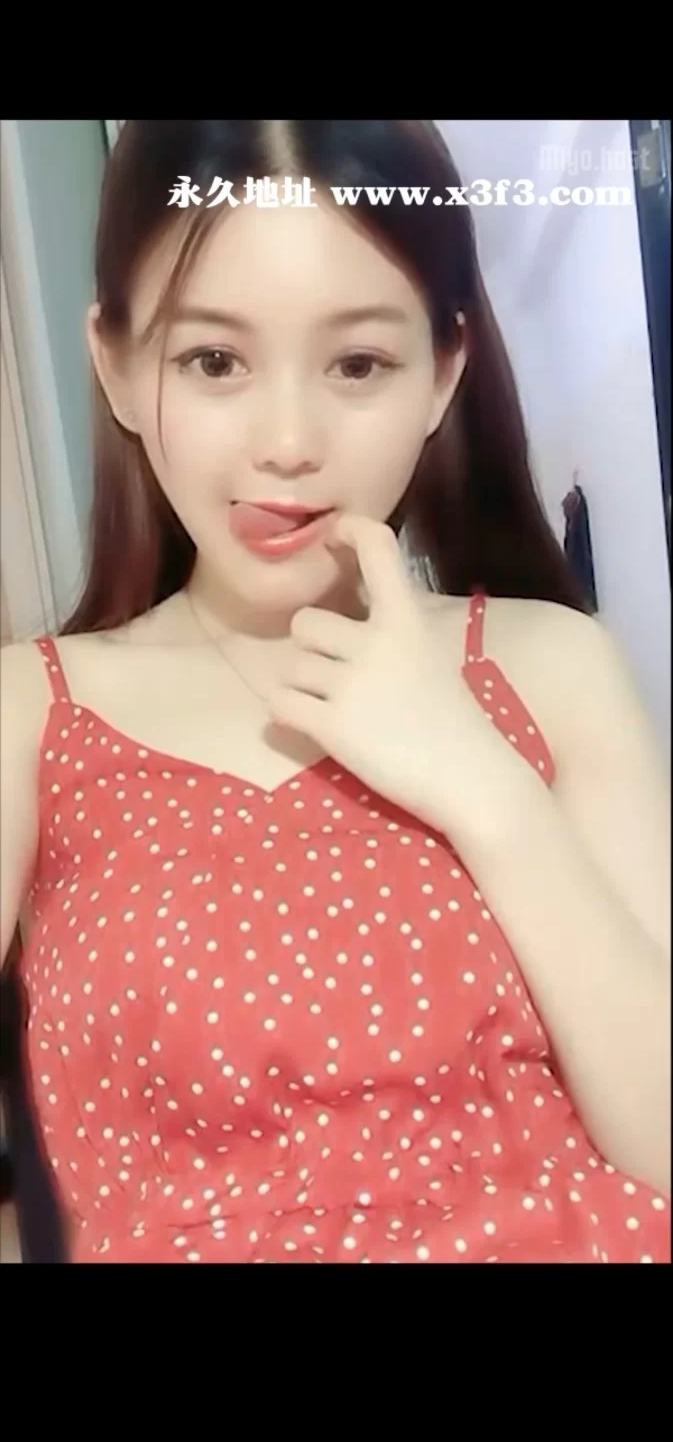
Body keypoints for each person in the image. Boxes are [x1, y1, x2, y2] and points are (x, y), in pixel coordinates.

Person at [0, 120, 669, 1265]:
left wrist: (481, 787)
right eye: (214, 362)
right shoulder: (31, 714)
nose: (289, 442)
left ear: (442, 372)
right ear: (114, 365)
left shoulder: (550, 664)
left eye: (357, 363)